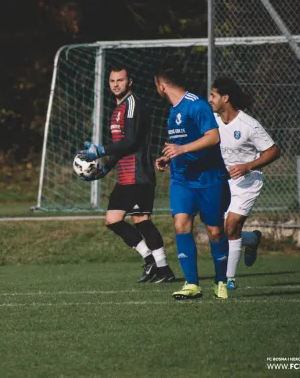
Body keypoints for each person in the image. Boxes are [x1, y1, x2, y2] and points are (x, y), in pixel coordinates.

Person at [78, 66, 175, 284]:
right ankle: (151, 261)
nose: (115, 85)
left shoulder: (132, 105)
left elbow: (130, 141)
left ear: (129, 81)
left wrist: (101, 151)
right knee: (112, 221)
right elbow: (120, 147)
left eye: (120, 80)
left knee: (142, 221)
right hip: (125, 176)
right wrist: (104, 169)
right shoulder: (117, 108)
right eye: (112, 81)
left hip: (138, 174)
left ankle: (164, 269)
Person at [154, 67, 230, 300]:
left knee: (215, 232)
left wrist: (182, 149)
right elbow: (182, 143)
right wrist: (169, 156)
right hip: (182, 179)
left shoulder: (196, 104)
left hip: (208, 179)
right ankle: (192, 284)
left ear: (162, 86)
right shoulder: (173, 110)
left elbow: (213, 137)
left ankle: (221, 281)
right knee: (181, 224)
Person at [209, 76, 280, 290]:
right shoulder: (212, 121)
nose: (210, 99)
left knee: (231, 225)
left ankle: (228, 280)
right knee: (223, 229)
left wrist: (247, 166)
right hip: (224, 181)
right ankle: (251, 239)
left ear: (225, 97)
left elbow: (274, 150)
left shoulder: (248, 124)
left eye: (213, 95)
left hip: (248, 181)